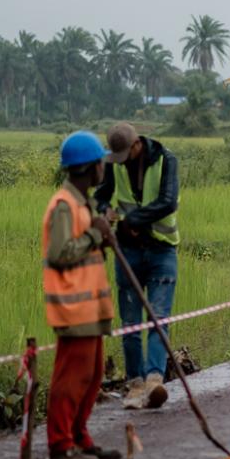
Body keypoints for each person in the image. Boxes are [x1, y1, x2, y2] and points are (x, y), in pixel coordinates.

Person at [41, 132, 120, 459]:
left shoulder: (83, 203)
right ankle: (61, 446)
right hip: (75, 309)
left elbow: (84, 249)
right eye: (101, 162)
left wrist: (101, 235)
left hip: (92, 308)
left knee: (91, 377)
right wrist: (94, 234)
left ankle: (79, 438)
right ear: (89, 168)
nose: (105, 167)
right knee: (71, 379)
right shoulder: (64, 205)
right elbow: (60, 254)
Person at [96, 122, 179, 411]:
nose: (121, 161)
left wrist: (134, 220)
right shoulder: (114, 165)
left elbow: (168, 202)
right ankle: (135, 384)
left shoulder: (167, 161)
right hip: (127, 252)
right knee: (131, 323)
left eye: (125, 154)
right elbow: (101, 195)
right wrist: (102, 211)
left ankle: (155, 380)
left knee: (158, 317)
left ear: (137, 145)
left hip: (161, 250)